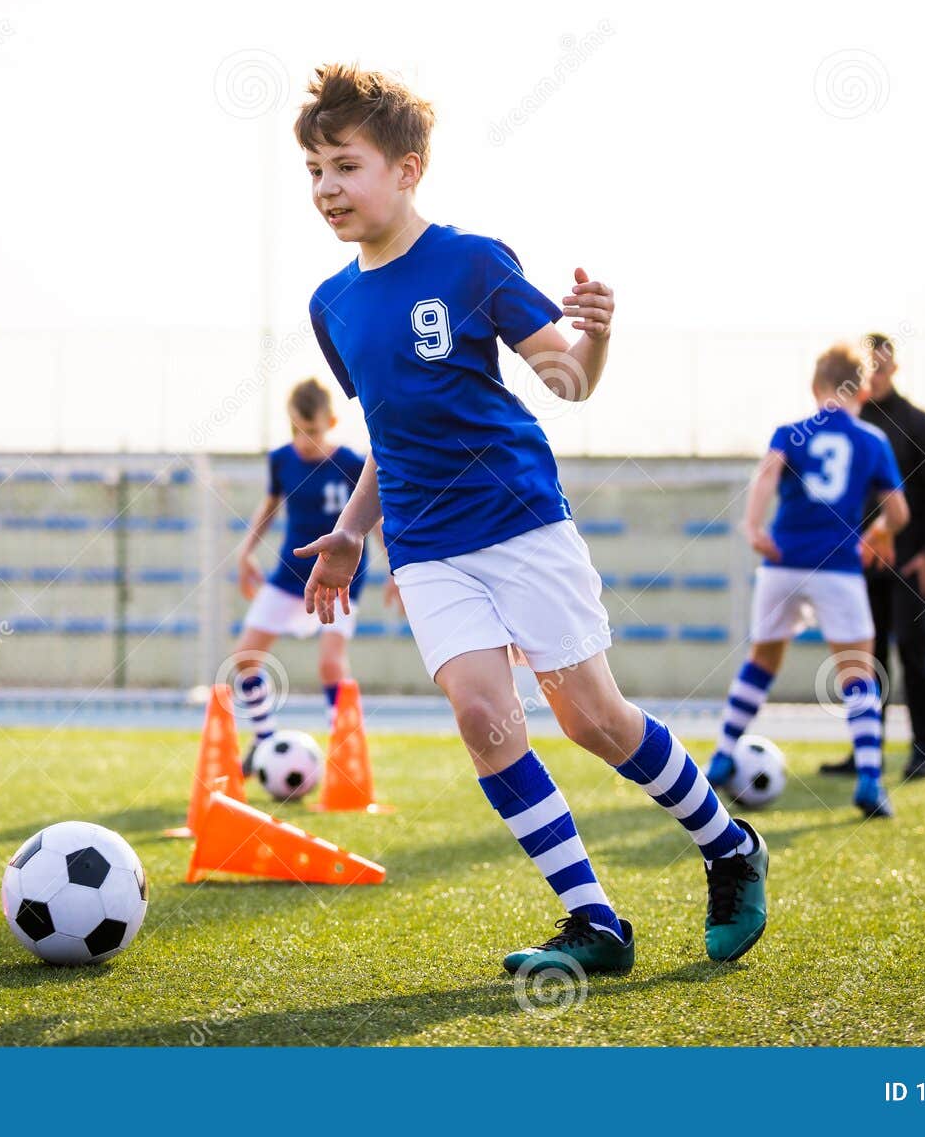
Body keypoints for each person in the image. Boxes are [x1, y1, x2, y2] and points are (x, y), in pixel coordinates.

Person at [291, 63, 769, 976]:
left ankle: (728, 843)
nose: (327, 189)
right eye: (314, 171)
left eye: (345, 166)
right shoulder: (332, 303)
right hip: (426, 546)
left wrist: (599, 330)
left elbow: (569, 381)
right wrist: (355, 530)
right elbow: (388, 432)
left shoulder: (473, 260)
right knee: (483, 714)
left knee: (592, 717)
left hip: (518, 521)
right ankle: (595, 921)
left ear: (407, 168)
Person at [706, 344, 910, 818]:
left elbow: (766, 477)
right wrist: (878, 531)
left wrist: (753, 527)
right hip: (837, 567)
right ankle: (869, 780)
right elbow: (899, 512)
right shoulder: (872, 440)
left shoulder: (790, 432)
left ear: (814, 388)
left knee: (762, 660)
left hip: (783, 564)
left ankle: (721, 753)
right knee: (858, 673)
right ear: (862, 389)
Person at [820, 333, 925, 779]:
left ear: (894, 368)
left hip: (908, 563)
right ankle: (866, 753)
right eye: (867, 368)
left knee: (913, 654)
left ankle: (923, 750)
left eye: (881, 366)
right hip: (860, 566)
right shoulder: (847, 427)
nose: (874, 375)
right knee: (864, 658)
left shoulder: (922, 426)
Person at [232, 378, 388, 762]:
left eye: (313, 431)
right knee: (244, 657)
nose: (304, 440)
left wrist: (396, 568)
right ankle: (264, 739)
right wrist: (246, 551)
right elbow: (268, 508)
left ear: (331, 421)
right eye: (296, 431)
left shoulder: (352, 464)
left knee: (330, 664)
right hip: (290, 573)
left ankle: (344, 751)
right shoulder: (281, 460)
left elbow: (378, 519)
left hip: (338, 576)